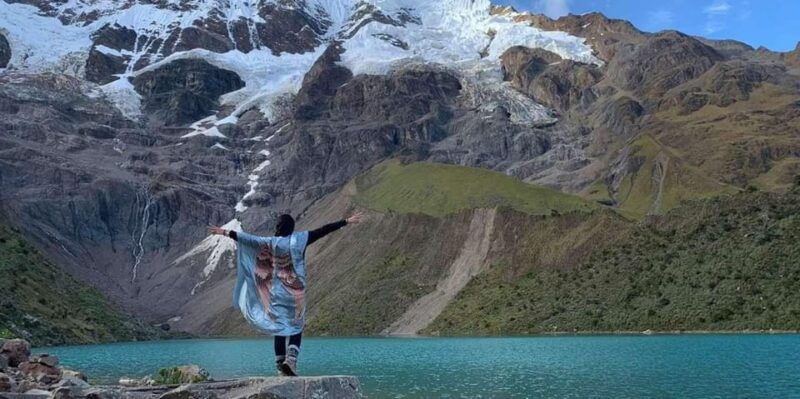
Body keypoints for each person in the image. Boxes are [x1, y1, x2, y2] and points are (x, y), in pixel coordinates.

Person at [208, 211, 365, 376]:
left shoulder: (269, 242)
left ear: (278, 227)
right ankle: (291, 360)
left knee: (279, 328)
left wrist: (225, 232)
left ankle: (279, 366)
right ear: (291, 227)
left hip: (277, 294)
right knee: (297, 325)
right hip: (295, 292)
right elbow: (323, 230)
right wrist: (346, 221)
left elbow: (247, 239)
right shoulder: (301, 239)